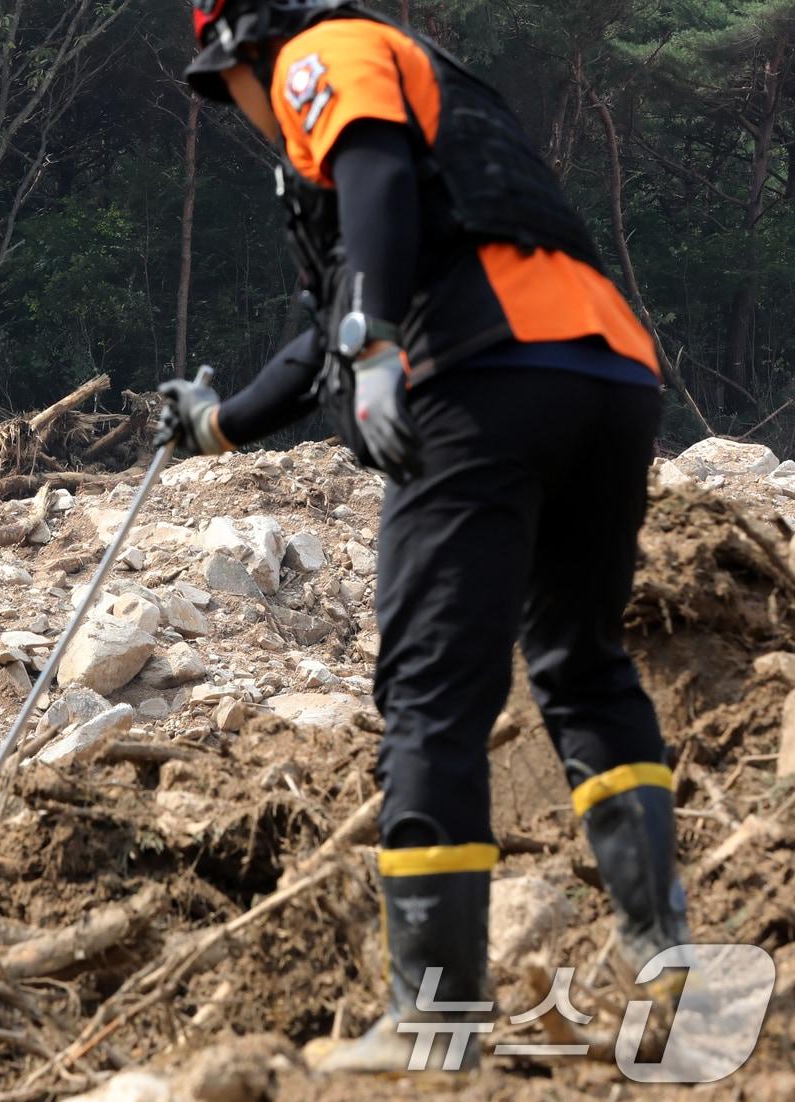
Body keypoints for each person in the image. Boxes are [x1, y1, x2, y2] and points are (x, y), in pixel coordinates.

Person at [160, 0, 690, 1074]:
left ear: (246, 52)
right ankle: (665, 955)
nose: (244, 114)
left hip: (485, 383)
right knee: (580, 665)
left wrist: (378, 341)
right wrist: (216, 424)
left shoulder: (323, 57)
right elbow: (329, 322)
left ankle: (435, 1020)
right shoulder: (434, 94)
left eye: (228, 89)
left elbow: (375, 205)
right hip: (607, 371)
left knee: (429, 697)